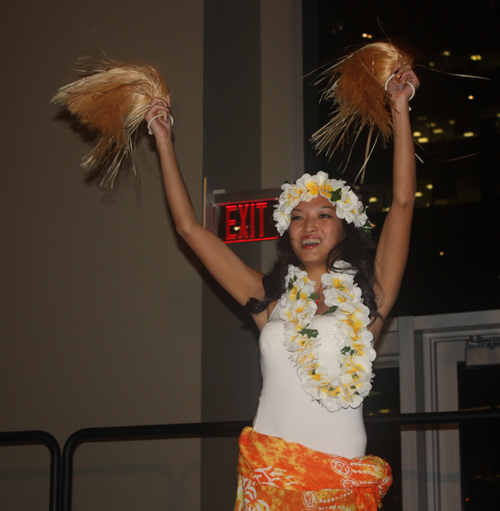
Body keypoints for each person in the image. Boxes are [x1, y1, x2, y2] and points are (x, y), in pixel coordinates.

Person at [145, 63, 419, 510]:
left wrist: (400, 108)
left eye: (323, 216)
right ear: (286, 231)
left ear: (344, 228)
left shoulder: (372, 298)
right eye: (297, 217)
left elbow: (404, 203)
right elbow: (190, 229)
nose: (308, 226)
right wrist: (162, 138)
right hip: (267, 478)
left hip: (340, 482)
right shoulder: (267, 298)